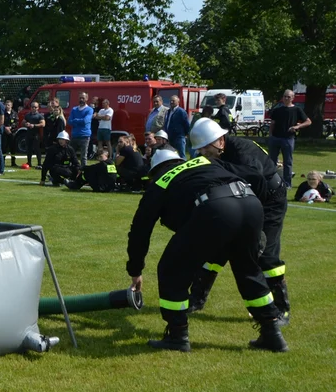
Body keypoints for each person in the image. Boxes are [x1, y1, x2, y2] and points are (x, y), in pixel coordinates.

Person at [126, 148, 287, 353]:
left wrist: (135, 270)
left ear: (155, 170)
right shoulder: (207, 162)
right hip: (250, 203)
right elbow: (255, 176)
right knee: (248, 271)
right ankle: (272, 332)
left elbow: (140, 229)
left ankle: (177, 335)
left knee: (171, 269)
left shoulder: (160, 182)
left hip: (215, 208)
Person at [187, 118, 292, 326]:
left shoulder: (241, 150)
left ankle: (281, 310)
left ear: (219, 141)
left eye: (206, 148)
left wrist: (254, 222)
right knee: (216, 248)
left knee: (267, 255)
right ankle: (196, 299)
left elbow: (256, 178)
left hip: (270, 200)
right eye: (200, 150)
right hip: (243, 199)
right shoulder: (221, 152)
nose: (203, 154)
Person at [267, 89, 310, 189]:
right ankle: (271, 182)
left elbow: (308, 121)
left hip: (288, 139)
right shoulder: (277, 110)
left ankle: (287, 184)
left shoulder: (297, 110)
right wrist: (270, 136)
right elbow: (273, 123)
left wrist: (297, 127)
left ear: (292, 98)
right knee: (271, 162)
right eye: (285, 96)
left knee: (288, 162)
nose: (286, 98)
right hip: (275, 138)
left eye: (288, 97)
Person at [164, 95, 190, 159]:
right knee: (172, 154)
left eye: (173, 101)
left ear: (178, 102)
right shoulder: (169, 111)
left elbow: (186, 124)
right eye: (171, 101)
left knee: (182, 155)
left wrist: (186, 134)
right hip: (170, 137)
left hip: (179, 137)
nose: (172, 102)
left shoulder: (181, 112)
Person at [23, 100, 46, 168]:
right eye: (32, 107)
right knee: (28, 149)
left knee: (37, 149)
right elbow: (22, 122)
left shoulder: (40, 116)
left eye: (35, 107)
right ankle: (29, 162)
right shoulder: (27, 115)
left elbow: (43, 124)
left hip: (36, 134)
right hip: (28, 134)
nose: (34, 108)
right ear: (30, 107)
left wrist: (34, 125)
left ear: (38, 108)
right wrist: (26, 124)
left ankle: (39, 163)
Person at [2, 99, 19, 167]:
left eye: (8, 105)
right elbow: (1, 121)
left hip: (12, 133)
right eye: (6, 105)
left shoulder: (14, 113)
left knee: (13, 148)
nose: (7, 106)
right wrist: (5, 128)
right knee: (4, 148)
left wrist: (11, 127)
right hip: (4, 132)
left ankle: (13, 162)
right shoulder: (3, 113)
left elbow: (17, 122)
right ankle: (2, 162)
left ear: (11, 106)